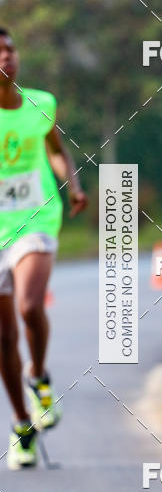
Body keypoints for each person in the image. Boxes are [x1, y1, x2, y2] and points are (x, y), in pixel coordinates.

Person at [0, 27, 88, 469]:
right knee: (2, 337)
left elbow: (56, 151)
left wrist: (71, 183)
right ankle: (22, 426)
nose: (6, 57)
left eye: (10, 49)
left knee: (31, 306)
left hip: (35, 217)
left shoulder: (41, 102)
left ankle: (39, 376)